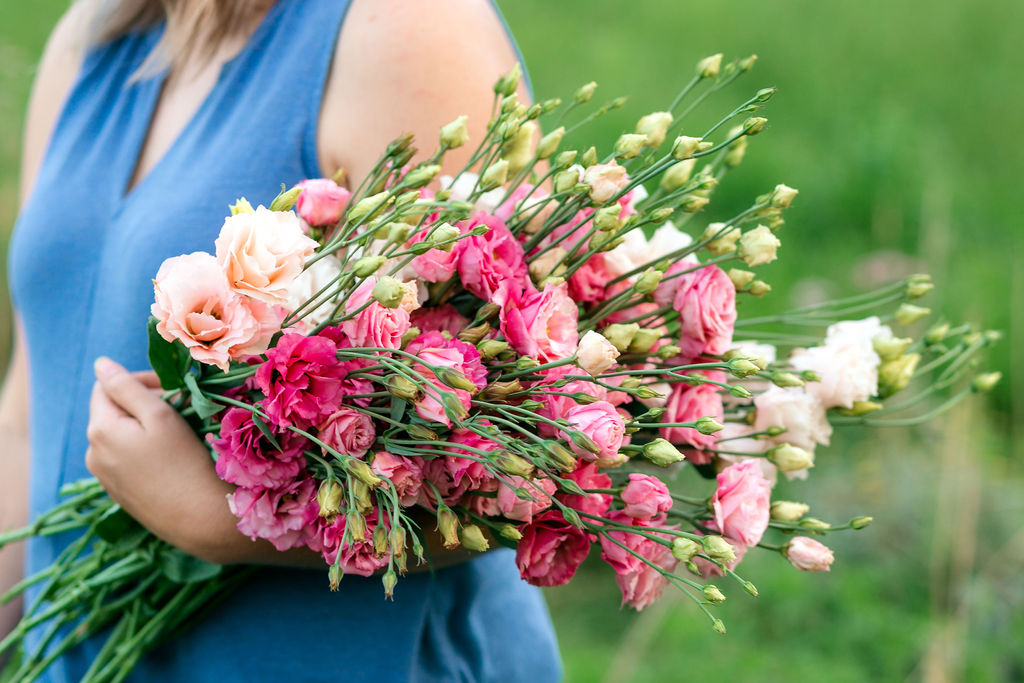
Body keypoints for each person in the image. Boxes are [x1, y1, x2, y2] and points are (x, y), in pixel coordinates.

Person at [0, 0, 562, 680]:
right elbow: (28, 416)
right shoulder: (94, 37)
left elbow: (523, 465)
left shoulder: (404, 27)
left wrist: (228, 522)